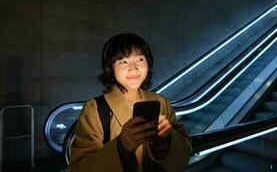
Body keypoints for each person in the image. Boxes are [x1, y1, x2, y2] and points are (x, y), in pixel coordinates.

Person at [68, 33, 192, 172]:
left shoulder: (161, 102)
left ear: (148, 63)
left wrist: (166, 142)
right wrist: (121, 146)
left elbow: (184, 155)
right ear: (110, 68)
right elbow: (80, 168)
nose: (133, 68)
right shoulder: (95, 109)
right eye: (123, 61)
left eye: (139, 59)